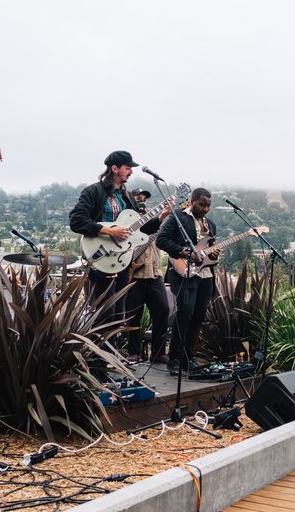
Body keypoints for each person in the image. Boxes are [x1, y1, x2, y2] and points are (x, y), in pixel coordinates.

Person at [69, 151, 160, 328]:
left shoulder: (126, 197)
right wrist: (110, 231)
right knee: (104, 315)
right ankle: (99, 355)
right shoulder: (94, 191)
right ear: (114, 168)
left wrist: (161, 218)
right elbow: (76, 220)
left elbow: (139, 231)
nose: (131, 172)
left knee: (119, 314)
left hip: (122, 261)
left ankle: (114, 354)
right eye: (128, 167)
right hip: (100, 257)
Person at [156, 187, 221, 376]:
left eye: (208, 205)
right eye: (202, 205)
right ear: (192, 201)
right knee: (185, 313)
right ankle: (174, 359)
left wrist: (214, 253)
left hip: (205, 275)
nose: (205, 209)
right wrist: (185, 252)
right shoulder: (179, 217)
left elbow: (210, 251)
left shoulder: (211, 225)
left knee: (199, 316)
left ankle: (188, 358)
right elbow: (161, 240)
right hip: (184, 272)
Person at [122, 189, 172, 364]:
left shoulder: (154, 222)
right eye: (138, 198)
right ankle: (133, 351)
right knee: (133, 314)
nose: (142, 201)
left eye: (144, 199)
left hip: (155, 273)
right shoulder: (127, 224)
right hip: (134, 274)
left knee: (163, 310)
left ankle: (158, 352)